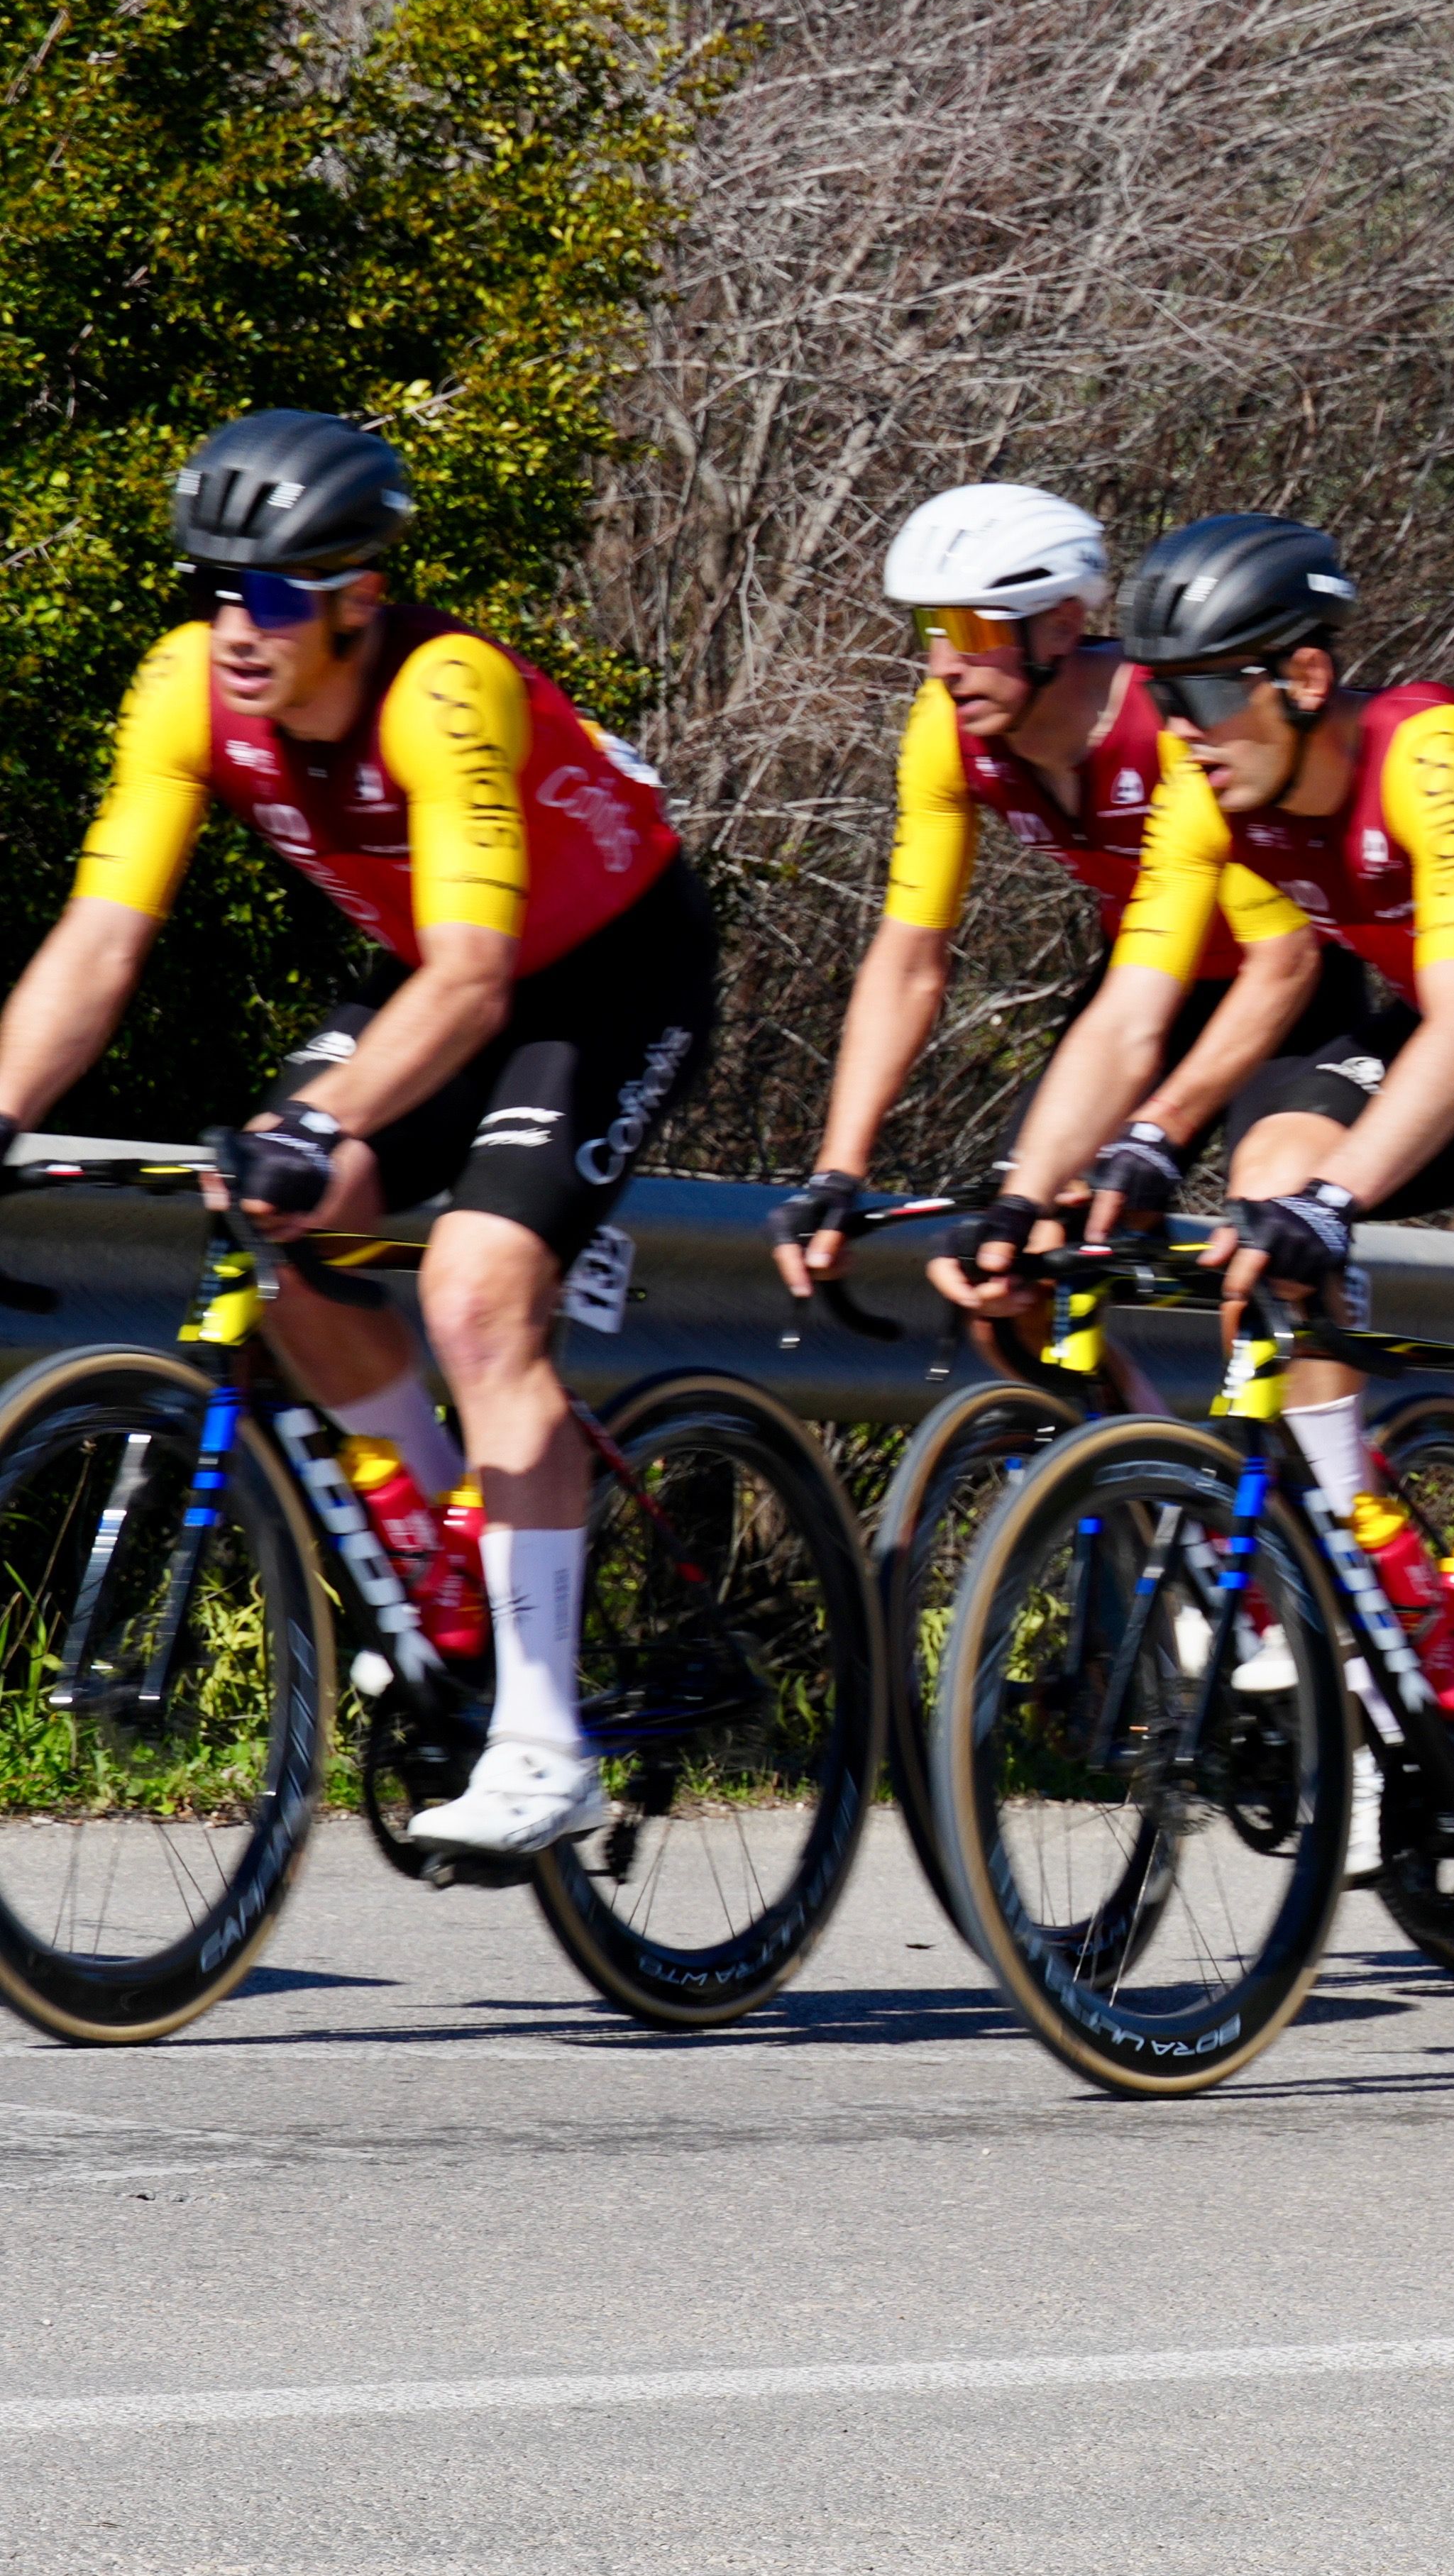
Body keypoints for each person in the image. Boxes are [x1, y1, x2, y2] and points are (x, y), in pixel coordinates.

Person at [969, 515, 1454, 1960]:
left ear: (1303, 677)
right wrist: (1037, 1184)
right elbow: (1132, 1010)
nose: (1181, 730)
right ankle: (1363, 1581)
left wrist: (1340, 1204)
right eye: (1164, 696)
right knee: (1267, 1171)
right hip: (1446, 1045)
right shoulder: (1216, 786)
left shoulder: (1433, 758)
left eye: (1205, 693)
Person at [0, 410, 710, 1854]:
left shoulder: (445, 694)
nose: (234, 627)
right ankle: (448, 1544)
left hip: (606, 979)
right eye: (212, 588)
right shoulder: (187, 689)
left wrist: (317, 1119)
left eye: (269, 594)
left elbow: (476, 983)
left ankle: (544, 1743)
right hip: (433, 970)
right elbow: (102, 937)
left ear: (355, 597)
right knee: (263, 1212)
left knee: (477, 1290)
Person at [766, 485, 1341, 1321]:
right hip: (1145, 985)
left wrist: (1159, 1131)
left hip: (1287, 996)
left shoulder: (1180, 727)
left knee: (1267, 1249)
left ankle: (1320, 1375)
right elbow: (909, 959)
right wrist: (838, 1170)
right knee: (1010, 1272)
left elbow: (1284, 960)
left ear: (1064, 627)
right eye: (930, 629)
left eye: (973, 631)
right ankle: (1104, 1413)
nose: (944, 665)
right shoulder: (947, 730)